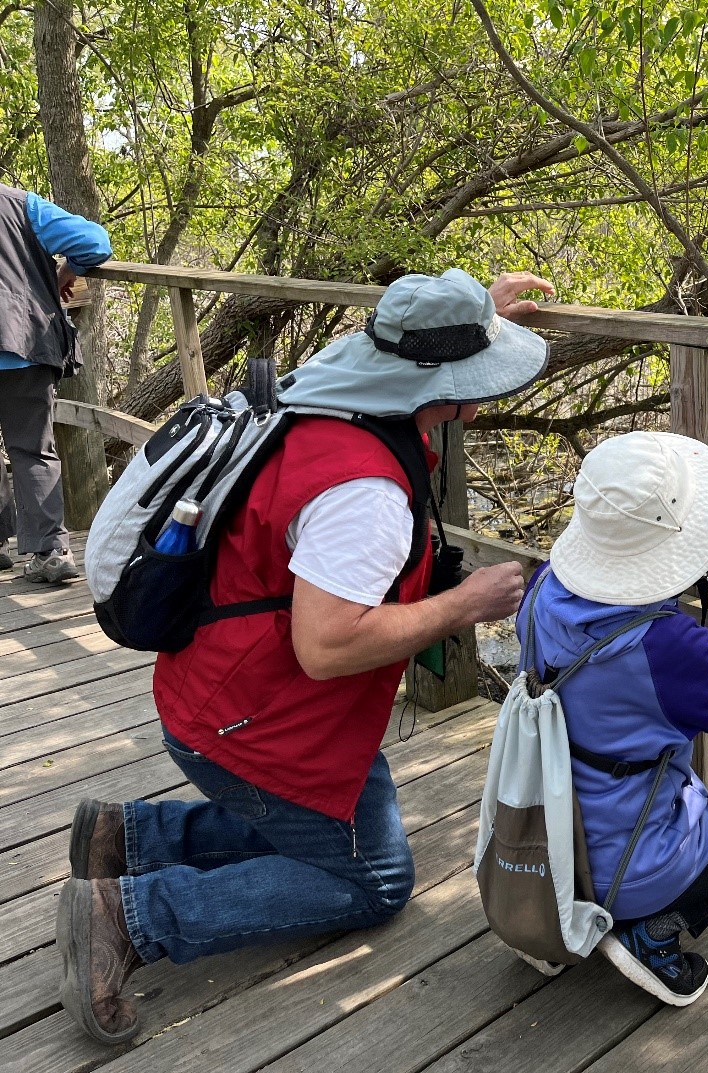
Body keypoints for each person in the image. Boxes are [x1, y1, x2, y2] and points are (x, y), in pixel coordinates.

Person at [56, 267, 554, 1045]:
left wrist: (470, 316)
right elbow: (324, 649)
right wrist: (463, 604)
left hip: (216, 684)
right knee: (374, 878)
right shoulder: (367, 495)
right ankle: (129, 916)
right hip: (253, 720)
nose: (485, 392)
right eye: (475, 375)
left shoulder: (332, 391)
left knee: (342, 827)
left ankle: (124, 837)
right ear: (438, 384)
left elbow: (401, 349)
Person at [519, 430, 708, 1006]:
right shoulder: (662, 645)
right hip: (627, 868)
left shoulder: (540, 592)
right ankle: (650, 930)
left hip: (547, 836)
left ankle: (566, 917)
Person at [0, 185, 112, 581]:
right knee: (32, 449)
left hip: (22, 344)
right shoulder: (21, 205)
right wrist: (67, 271)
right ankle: (51, 553)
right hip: (26, 343)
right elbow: (96, 243)